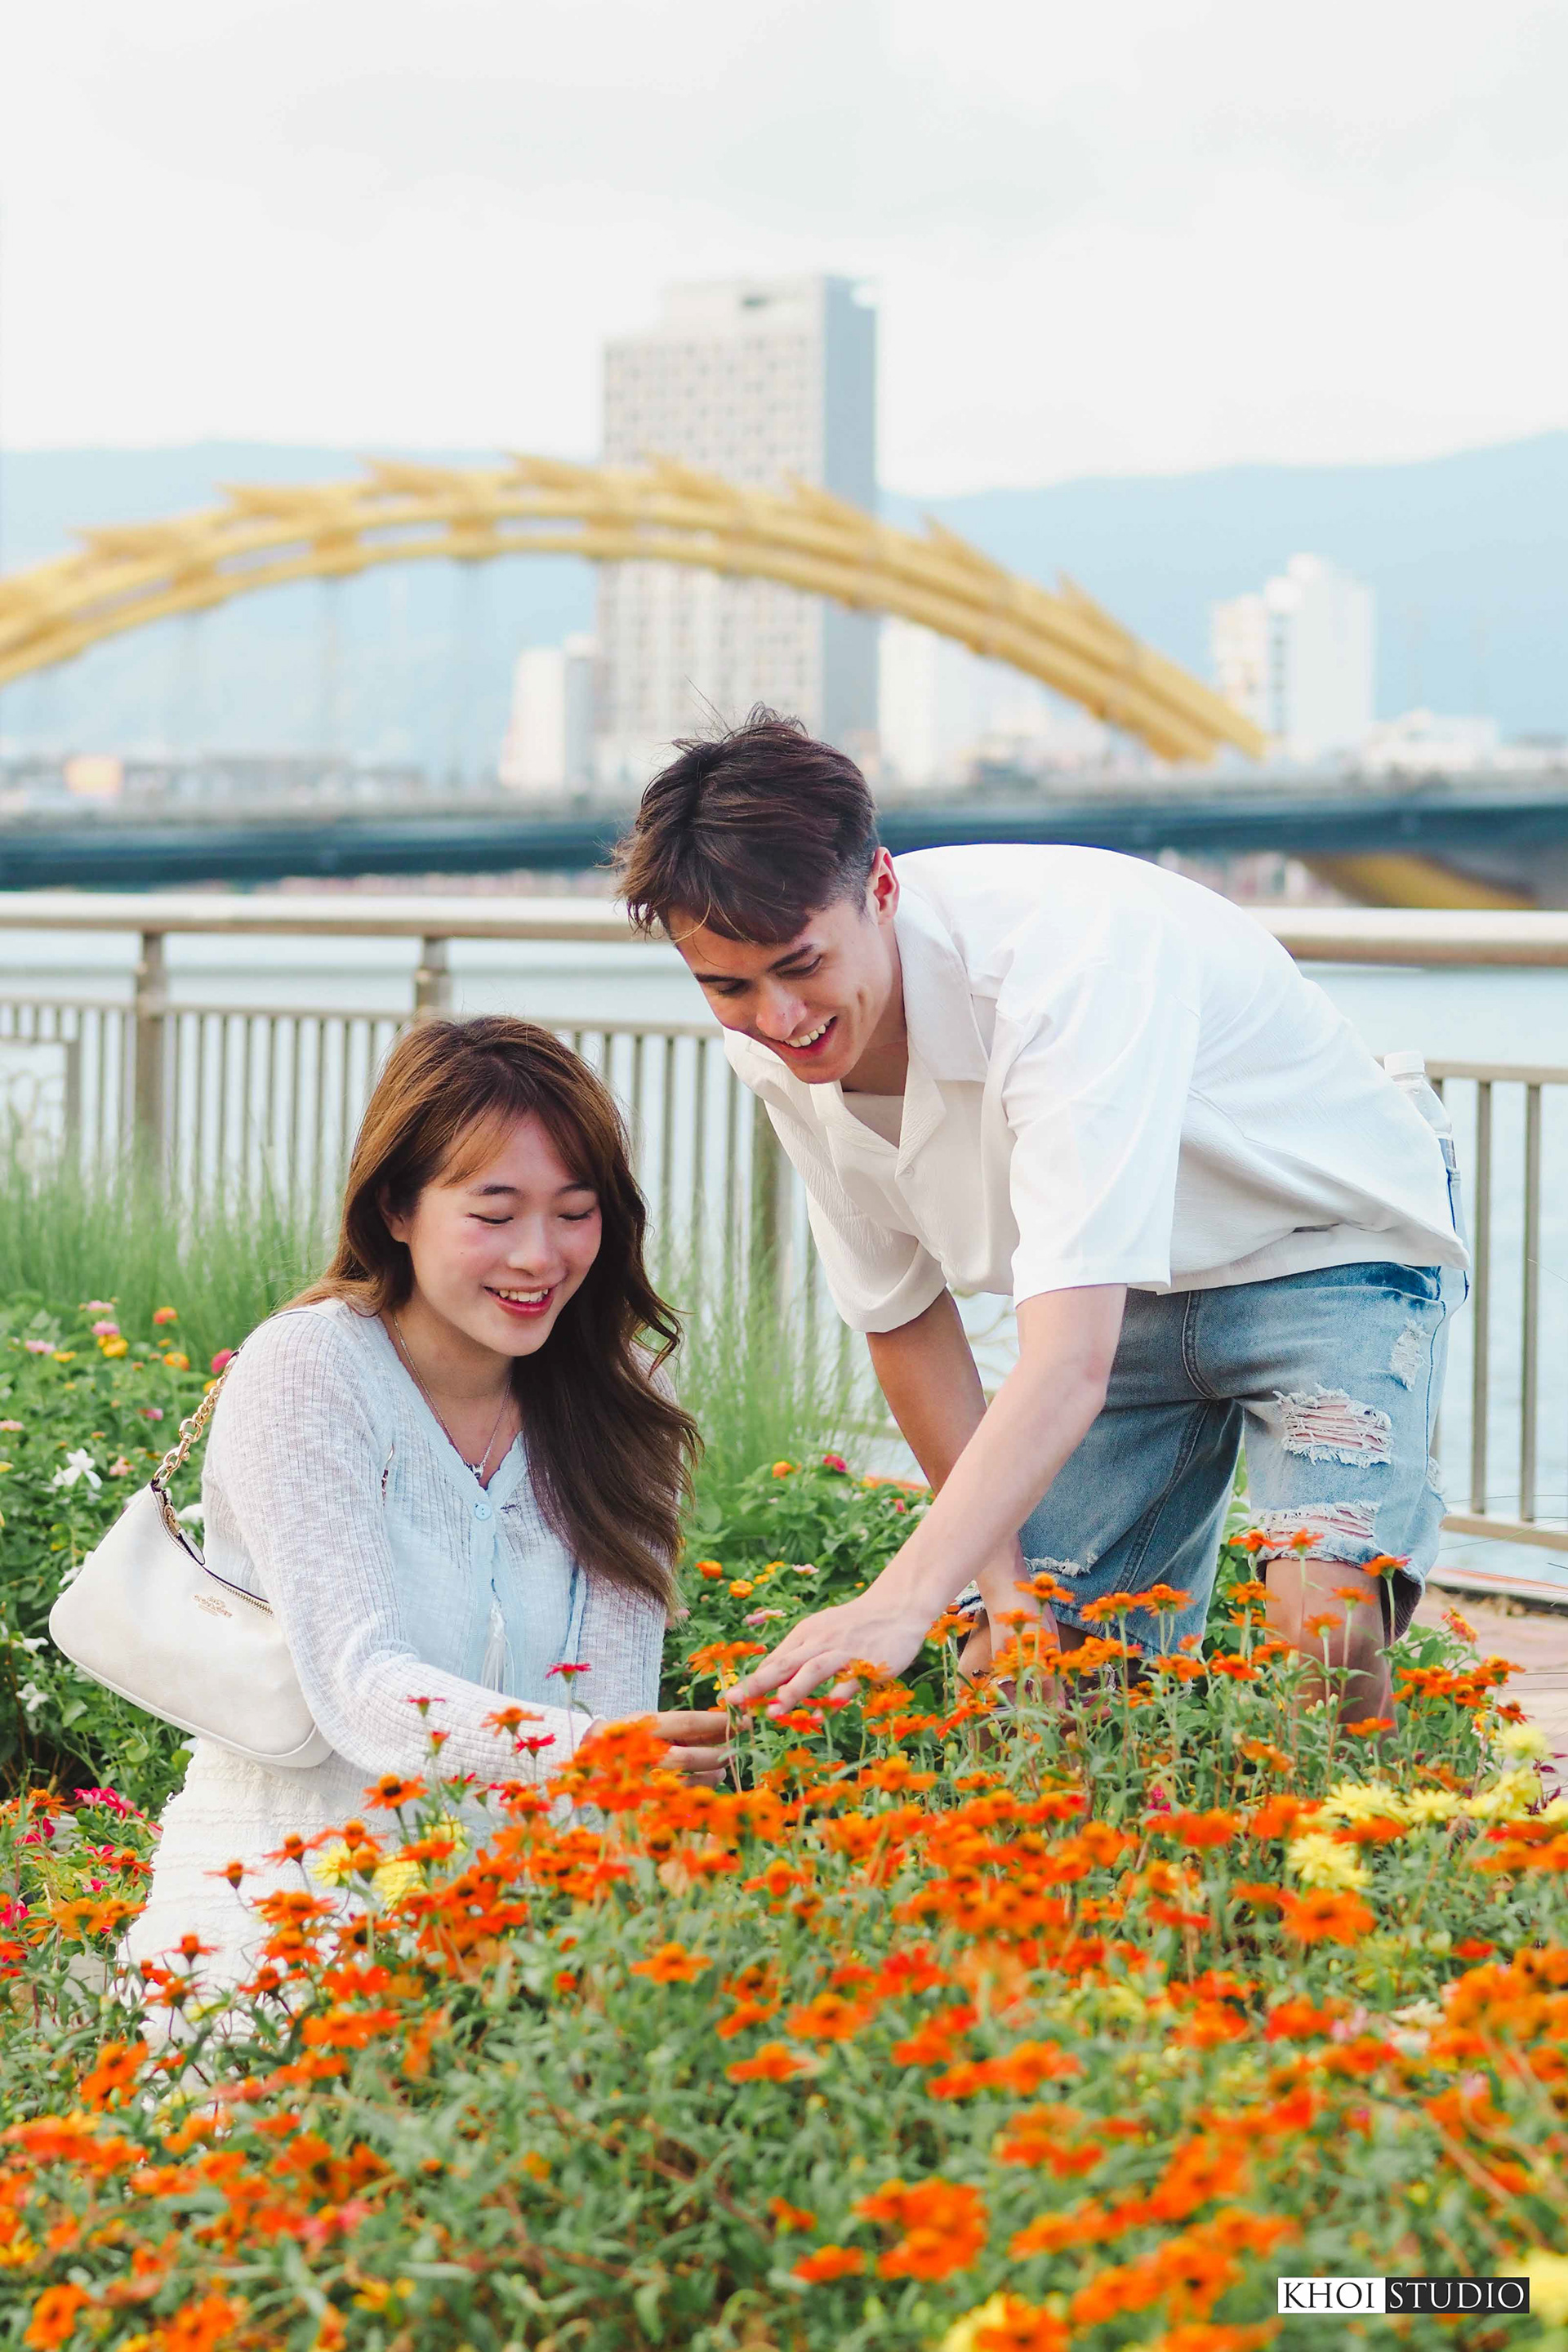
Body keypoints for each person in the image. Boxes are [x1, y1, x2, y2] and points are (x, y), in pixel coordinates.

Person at [616, 711, 1468, 1726]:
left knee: (1319, 1642)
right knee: (1020, 1673)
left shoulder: (1067, 964)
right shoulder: (771, 1041)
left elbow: (1067, 1362)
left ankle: (1349, 1858)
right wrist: (1006, 1598)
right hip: (1125, 1298)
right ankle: (1135, 1877)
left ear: (881, 888)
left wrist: (902, 1600)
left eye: (801, 966)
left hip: (1328, 1252)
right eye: (727, 986)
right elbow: (901, 1318)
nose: (779, 1020)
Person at [127, 1016, 728, 1986]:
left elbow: (618, 1707)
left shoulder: (625, 1409)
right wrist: (593, 1757)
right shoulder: (311, 1367)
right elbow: (361, 1687)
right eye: (493, 1215)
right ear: (398, 1208)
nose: (539, 1256)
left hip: (527, 1907)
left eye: (575, 1212)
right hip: (286, 1884)